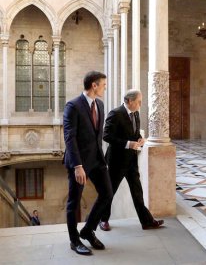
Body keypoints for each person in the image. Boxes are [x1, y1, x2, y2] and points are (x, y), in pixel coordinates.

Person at [63, 71, 113, 255]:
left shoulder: (99, 104)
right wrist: (77, 166)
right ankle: (74, 240)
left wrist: (102, 159)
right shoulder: (73, 106)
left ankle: (87, 231)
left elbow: (97, 136)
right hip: (79, 163)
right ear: (94, 85)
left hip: (97, 161)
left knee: (107, 193)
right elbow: (70, 138)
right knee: (74, 202)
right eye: (103, 85)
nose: (105, 88)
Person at [99, 89, 164, 231]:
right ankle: (103, 219)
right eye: (138, 101)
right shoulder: (115, 114)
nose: (140, 104)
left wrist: (139, 140)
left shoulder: (136, 114)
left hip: (131, 161)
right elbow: (106, 136)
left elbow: (133, 134)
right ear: (129, 101)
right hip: (117, 161)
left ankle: (146, 221)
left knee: (137, 192)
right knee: (110, 191)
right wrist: (128, 144)